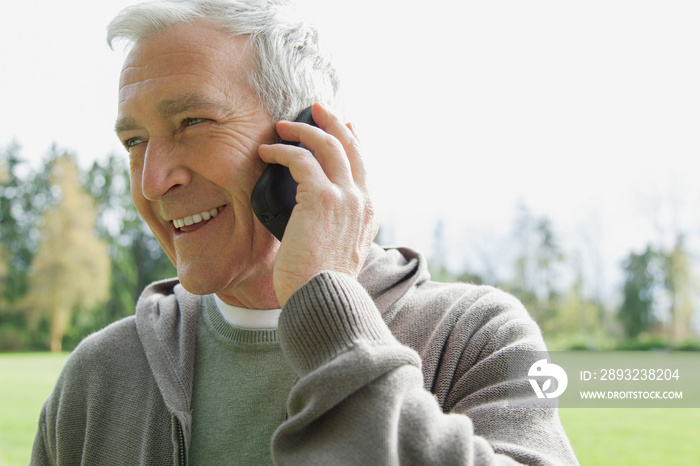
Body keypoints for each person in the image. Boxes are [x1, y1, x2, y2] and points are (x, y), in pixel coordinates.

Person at [32, 0, 578, 464]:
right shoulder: (99, 376)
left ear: (313, 143)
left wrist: (328, 311)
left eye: (192, 122)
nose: (153, 181)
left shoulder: (474, 338)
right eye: (134, 142)